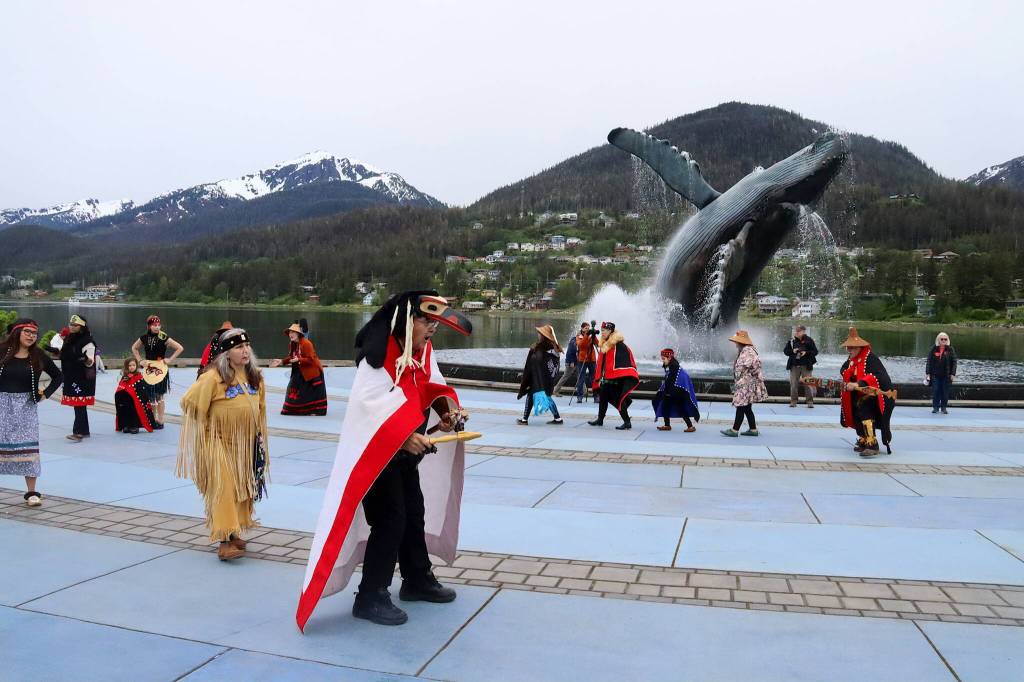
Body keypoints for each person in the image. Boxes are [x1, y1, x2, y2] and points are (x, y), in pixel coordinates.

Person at [296, 291, 473, 631]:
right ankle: (370, 596)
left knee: (413, 511)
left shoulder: (420, 351)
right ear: (406, 322)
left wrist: (449, 413)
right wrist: (404, 437)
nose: (432, 328)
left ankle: (416, 578)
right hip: (378, 456)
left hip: (406, 455)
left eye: (434, 322)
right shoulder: (378, 356)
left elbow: (431, 387)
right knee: (390, 518)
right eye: (426, 321)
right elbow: (369, 408)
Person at [177, 328, 269, 561]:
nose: (245, 350)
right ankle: (224, 541)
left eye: (247, 345)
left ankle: (233, 531)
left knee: (242, 489)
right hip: (217, 443)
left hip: (245, 443)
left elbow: (260, 410)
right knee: (224, 488)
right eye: (238, 347)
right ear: (226, 353)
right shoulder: (212, 377)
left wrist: (257, 437)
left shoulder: (255, 377)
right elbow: (189, 402)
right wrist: (210, 426)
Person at [0, 319, 62, 507]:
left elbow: (59, 376)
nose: (31, 336)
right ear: (17, 332)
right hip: (2, 404)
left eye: (34, 333)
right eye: (27, 332)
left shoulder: (38, 355)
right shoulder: (2, 351)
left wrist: (45, 394)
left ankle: (31, 492)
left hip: (26, 407)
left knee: (29, 449)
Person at [840, 327, 895, 457]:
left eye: (852, 348)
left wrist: (858, 383)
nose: (849, 350)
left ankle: (872, 442)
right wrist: (849, 376)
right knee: (855, 408)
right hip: (862, 393)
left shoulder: (870, 358)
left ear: (859, 347)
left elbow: (877, 376)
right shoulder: (852, 359)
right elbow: (843, 369)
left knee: (864, 408)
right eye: (848, 347)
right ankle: (863, 437)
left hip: (879, 395)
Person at [132, 315, 184, 429]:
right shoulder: (144, 337)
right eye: (154, 325)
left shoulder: (164, 337)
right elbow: (134, 348)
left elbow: (180, 348)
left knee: (159, 396)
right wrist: (140, 360)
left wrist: (170, 359)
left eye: (158, 325)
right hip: (148, 368)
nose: (157, 327)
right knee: (150, 396)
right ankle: (152, 419)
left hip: (161, 368)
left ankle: (160, 420)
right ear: (149, 326)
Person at [588, 321, 639, 430]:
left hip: (615, 380)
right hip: (606, 380)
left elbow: (626, 361)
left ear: (610, 331)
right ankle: (600, 420)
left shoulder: (619, 345)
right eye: (601, 331)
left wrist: (619, 375)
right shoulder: (605, 344)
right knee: (603, 400)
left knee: (620, 401)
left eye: (604, 331)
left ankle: (627, 422)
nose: (602, 333)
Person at [270, 320, 327, 416]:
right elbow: (292, 357)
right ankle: (295, 410)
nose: (290, 334)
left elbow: (311, 359)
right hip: (299, 371)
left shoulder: (306, 343)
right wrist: (282, 361)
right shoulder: (292, 344)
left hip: (311, 372)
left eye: (293, 332)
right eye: (289, 332)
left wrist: (299, 359)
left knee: (310, 394)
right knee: (293, 391)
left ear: (298, 334)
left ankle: (313, 410)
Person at [721, 330, 767, 437]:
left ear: (741, 342)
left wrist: (746, 378)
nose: (735, 345)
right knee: (747, 407)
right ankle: (753, 429)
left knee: (740, 405)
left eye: (736, 342)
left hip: (746, 384)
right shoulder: (747, 350)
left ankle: (734, 430)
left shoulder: (748, 351)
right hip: (746, 383)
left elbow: (754, 366)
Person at [59, 314, 97, 442]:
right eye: (71, 324)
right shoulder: (70, 339)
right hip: (71, 375)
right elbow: (67, 355)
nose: (72, 326)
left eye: (75, 325)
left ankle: (79, 432)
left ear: (81, 327)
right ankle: (84, 431)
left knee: (79, 404)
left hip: (82, 377)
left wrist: (85, 358)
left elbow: (90, 362)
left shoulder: (88, 341)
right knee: (78, 405)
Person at [516, 325, 563, 425]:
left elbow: (535, 363)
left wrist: (527, 375)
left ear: (543, 336)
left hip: (539, 378)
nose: (538, 335)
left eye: (540, 333)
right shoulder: (553, 349)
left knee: (534, 396)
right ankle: (557, 418)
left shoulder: (540, 349)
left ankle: (525, 420)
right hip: (545, 379)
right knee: (543, 396)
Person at [652, 348, 699, 432]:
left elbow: (672, 380)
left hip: (677, 391)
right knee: (665, 405)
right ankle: (667, 425)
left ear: (669, 358)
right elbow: (669, 380)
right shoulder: (671, 365)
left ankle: (690, 426)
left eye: (664, 359)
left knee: (681, 408)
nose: (663, 361)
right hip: (672, 391)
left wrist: (668, 392)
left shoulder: (674, 366)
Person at [114, 358, 155, 434]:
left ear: (136, 366)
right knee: (124, 409)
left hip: (135, 400)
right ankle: (126, 425)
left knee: (134, 411)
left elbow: (142, 390)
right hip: (126, 399)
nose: (131, 367)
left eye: (133, 365)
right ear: (126, 366)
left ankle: (134, 426)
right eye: (129, 365)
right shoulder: (124, 376)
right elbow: (120, 388)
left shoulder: (139, 376)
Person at [783, 324, 818, 408]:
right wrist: (793, 351)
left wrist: (806, 353)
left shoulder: (809, 340)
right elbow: (785, 351)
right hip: (794, 366)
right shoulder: (791, 341)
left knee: (808, 383)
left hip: (806, 366)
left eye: (799, 331)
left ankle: (810, 401)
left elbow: (815, 352)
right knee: (793, 384)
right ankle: (793, 401)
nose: (797, 332)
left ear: (803, 331)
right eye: (796, 331)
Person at [926, 331, 957, 414]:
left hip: (946, 375)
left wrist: (953, 374)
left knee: (945, 391)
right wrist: (927, 373)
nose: (943, 340)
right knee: (935, 391)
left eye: (945, 339)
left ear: (947, 340)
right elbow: (929, 361)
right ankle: (935, 407)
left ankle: (944, 408)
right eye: (942, 339)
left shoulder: (950, 349)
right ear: (938, 340)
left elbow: (954, 362)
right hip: (935, 375)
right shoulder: (933, 348)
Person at [574, 321, 599, 402]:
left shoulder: (591, 335)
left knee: (594, 378)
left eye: (588, 329)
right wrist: (587, 335)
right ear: (582, 328)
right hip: (582, 359)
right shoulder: (579, 336)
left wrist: (594, 335)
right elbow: (581, 345)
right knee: (581, 378)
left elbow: (597, 344)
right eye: (586, 328)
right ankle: (579, 396)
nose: (587, 330)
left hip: (592, 359)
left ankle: (596, 396)